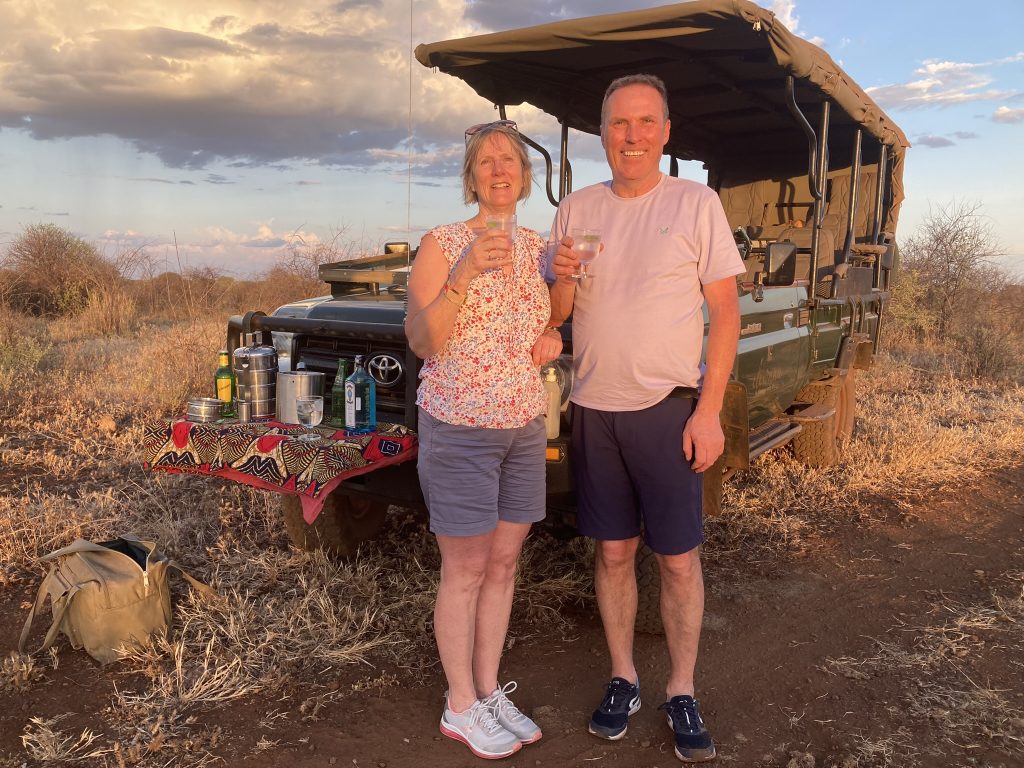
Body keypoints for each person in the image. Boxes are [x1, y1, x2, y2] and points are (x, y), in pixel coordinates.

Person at [547, 74, 744, 763]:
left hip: (667, 412)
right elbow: (558, 315)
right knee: (611, 554)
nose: (631, 136)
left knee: (680, 561)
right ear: (604, 133)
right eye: (618, 124)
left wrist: (710, 410)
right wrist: (562, 277)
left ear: (665, 131)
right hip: (595, 411)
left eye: (644, 122)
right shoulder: (575, 208)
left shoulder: (696, 204)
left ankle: (682, 689)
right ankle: (624, 677)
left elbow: (725, 313)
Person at [405, 119, 563, 760]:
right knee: (465, 571)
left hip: (523, 426)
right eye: (486, 161)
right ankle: (460, 704)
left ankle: (490, 689)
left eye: (510, 160)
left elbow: (549, 317)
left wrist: (551, 338)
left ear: (526, 177)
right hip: (460, 428)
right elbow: (422, 340)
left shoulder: (538, 244)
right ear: (471, 179)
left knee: (503, 566)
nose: (499, 168)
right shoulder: (442, 244)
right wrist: (466, 271)